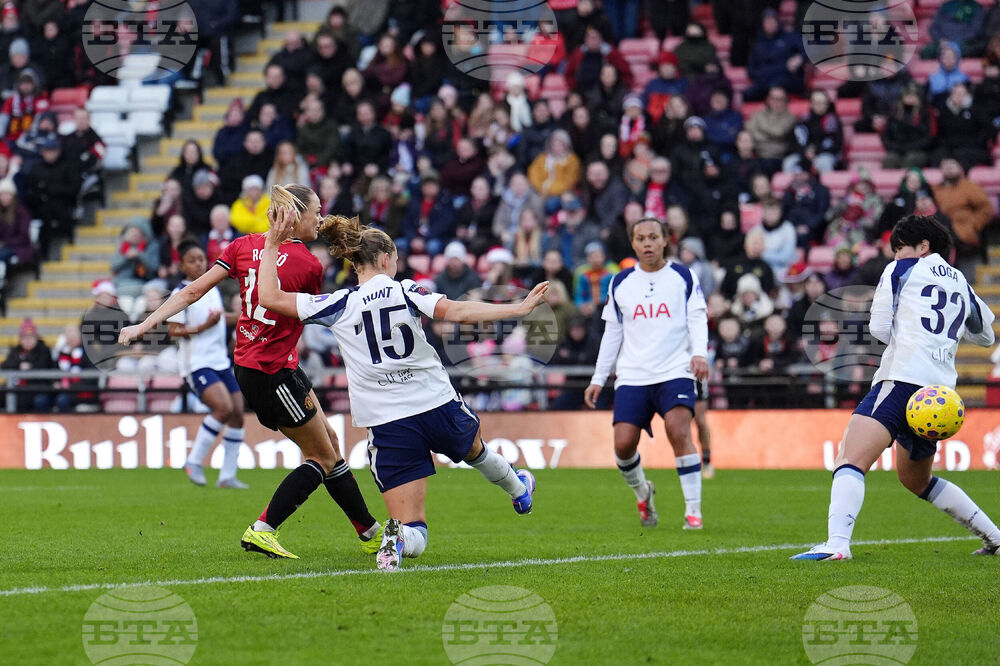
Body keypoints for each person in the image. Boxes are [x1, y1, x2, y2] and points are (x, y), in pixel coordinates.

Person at [256, 212, 546, 570]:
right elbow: (454, 311)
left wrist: (271, 242)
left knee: (416, 531)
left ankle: (396, 536)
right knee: (475, 450)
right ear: (384, 259)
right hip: (434, 402)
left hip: (386, 420)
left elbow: (268, 297)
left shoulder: (338, 304)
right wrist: (519, 307)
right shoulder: (406, 290)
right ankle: (518, 488)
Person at [119, 184, 382, 559]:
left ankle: (369, 531)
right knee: (322, 457)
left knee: (329, 444)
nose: (321, 217)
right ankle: (264, 529)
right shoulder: (309, 265)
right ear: (293, 214)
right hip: (272, 372)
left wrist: (144, 325)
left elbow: (192, 291)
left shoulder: (241, 247)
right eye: (316, 211)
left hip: (259, 365)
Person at [793, 215, 1000, 561]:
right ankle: (995, 537)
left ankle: (837, 544)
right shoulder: (962, 282)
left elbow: (878, 328)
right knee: (917, 481)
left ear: (923, 247)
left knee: (850, 458)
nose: (895, 255)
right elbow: (986, 334)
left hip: (902, 379)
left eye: (900, 247)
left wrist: (907, 340)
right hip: (939, 396)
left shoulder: (902, 269)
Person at [583, 217, 710, 530]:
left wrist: (699, 353)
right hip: (633, 374)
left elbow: (697, 317)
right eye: (641, 239)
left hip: (675, 369)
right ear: (633, 243)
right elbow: (612, 333)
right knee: (623, 445)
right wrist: (599, 378)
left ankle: (693, 511)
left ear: (665, 240)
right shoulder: (621, 282)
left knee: (679, 430)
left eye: (654, 237)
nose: (647, 244)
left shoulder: (683, 276)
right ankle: (643, 492)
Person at [166, 240, 247, 489]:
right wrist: (203, 328)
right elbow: (172, 331)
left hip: (219, 361)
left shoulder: (210, 288)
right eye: (193, 260)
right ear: (182, 265)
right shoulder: (179, 294)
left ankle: (227, 475)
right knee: (222, 408)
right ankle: (193, 461)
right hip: (197, 363)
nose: (199, 263)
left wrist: (247, 315)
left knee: (237, 414)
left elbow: (219, 318)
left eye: (202, 258)